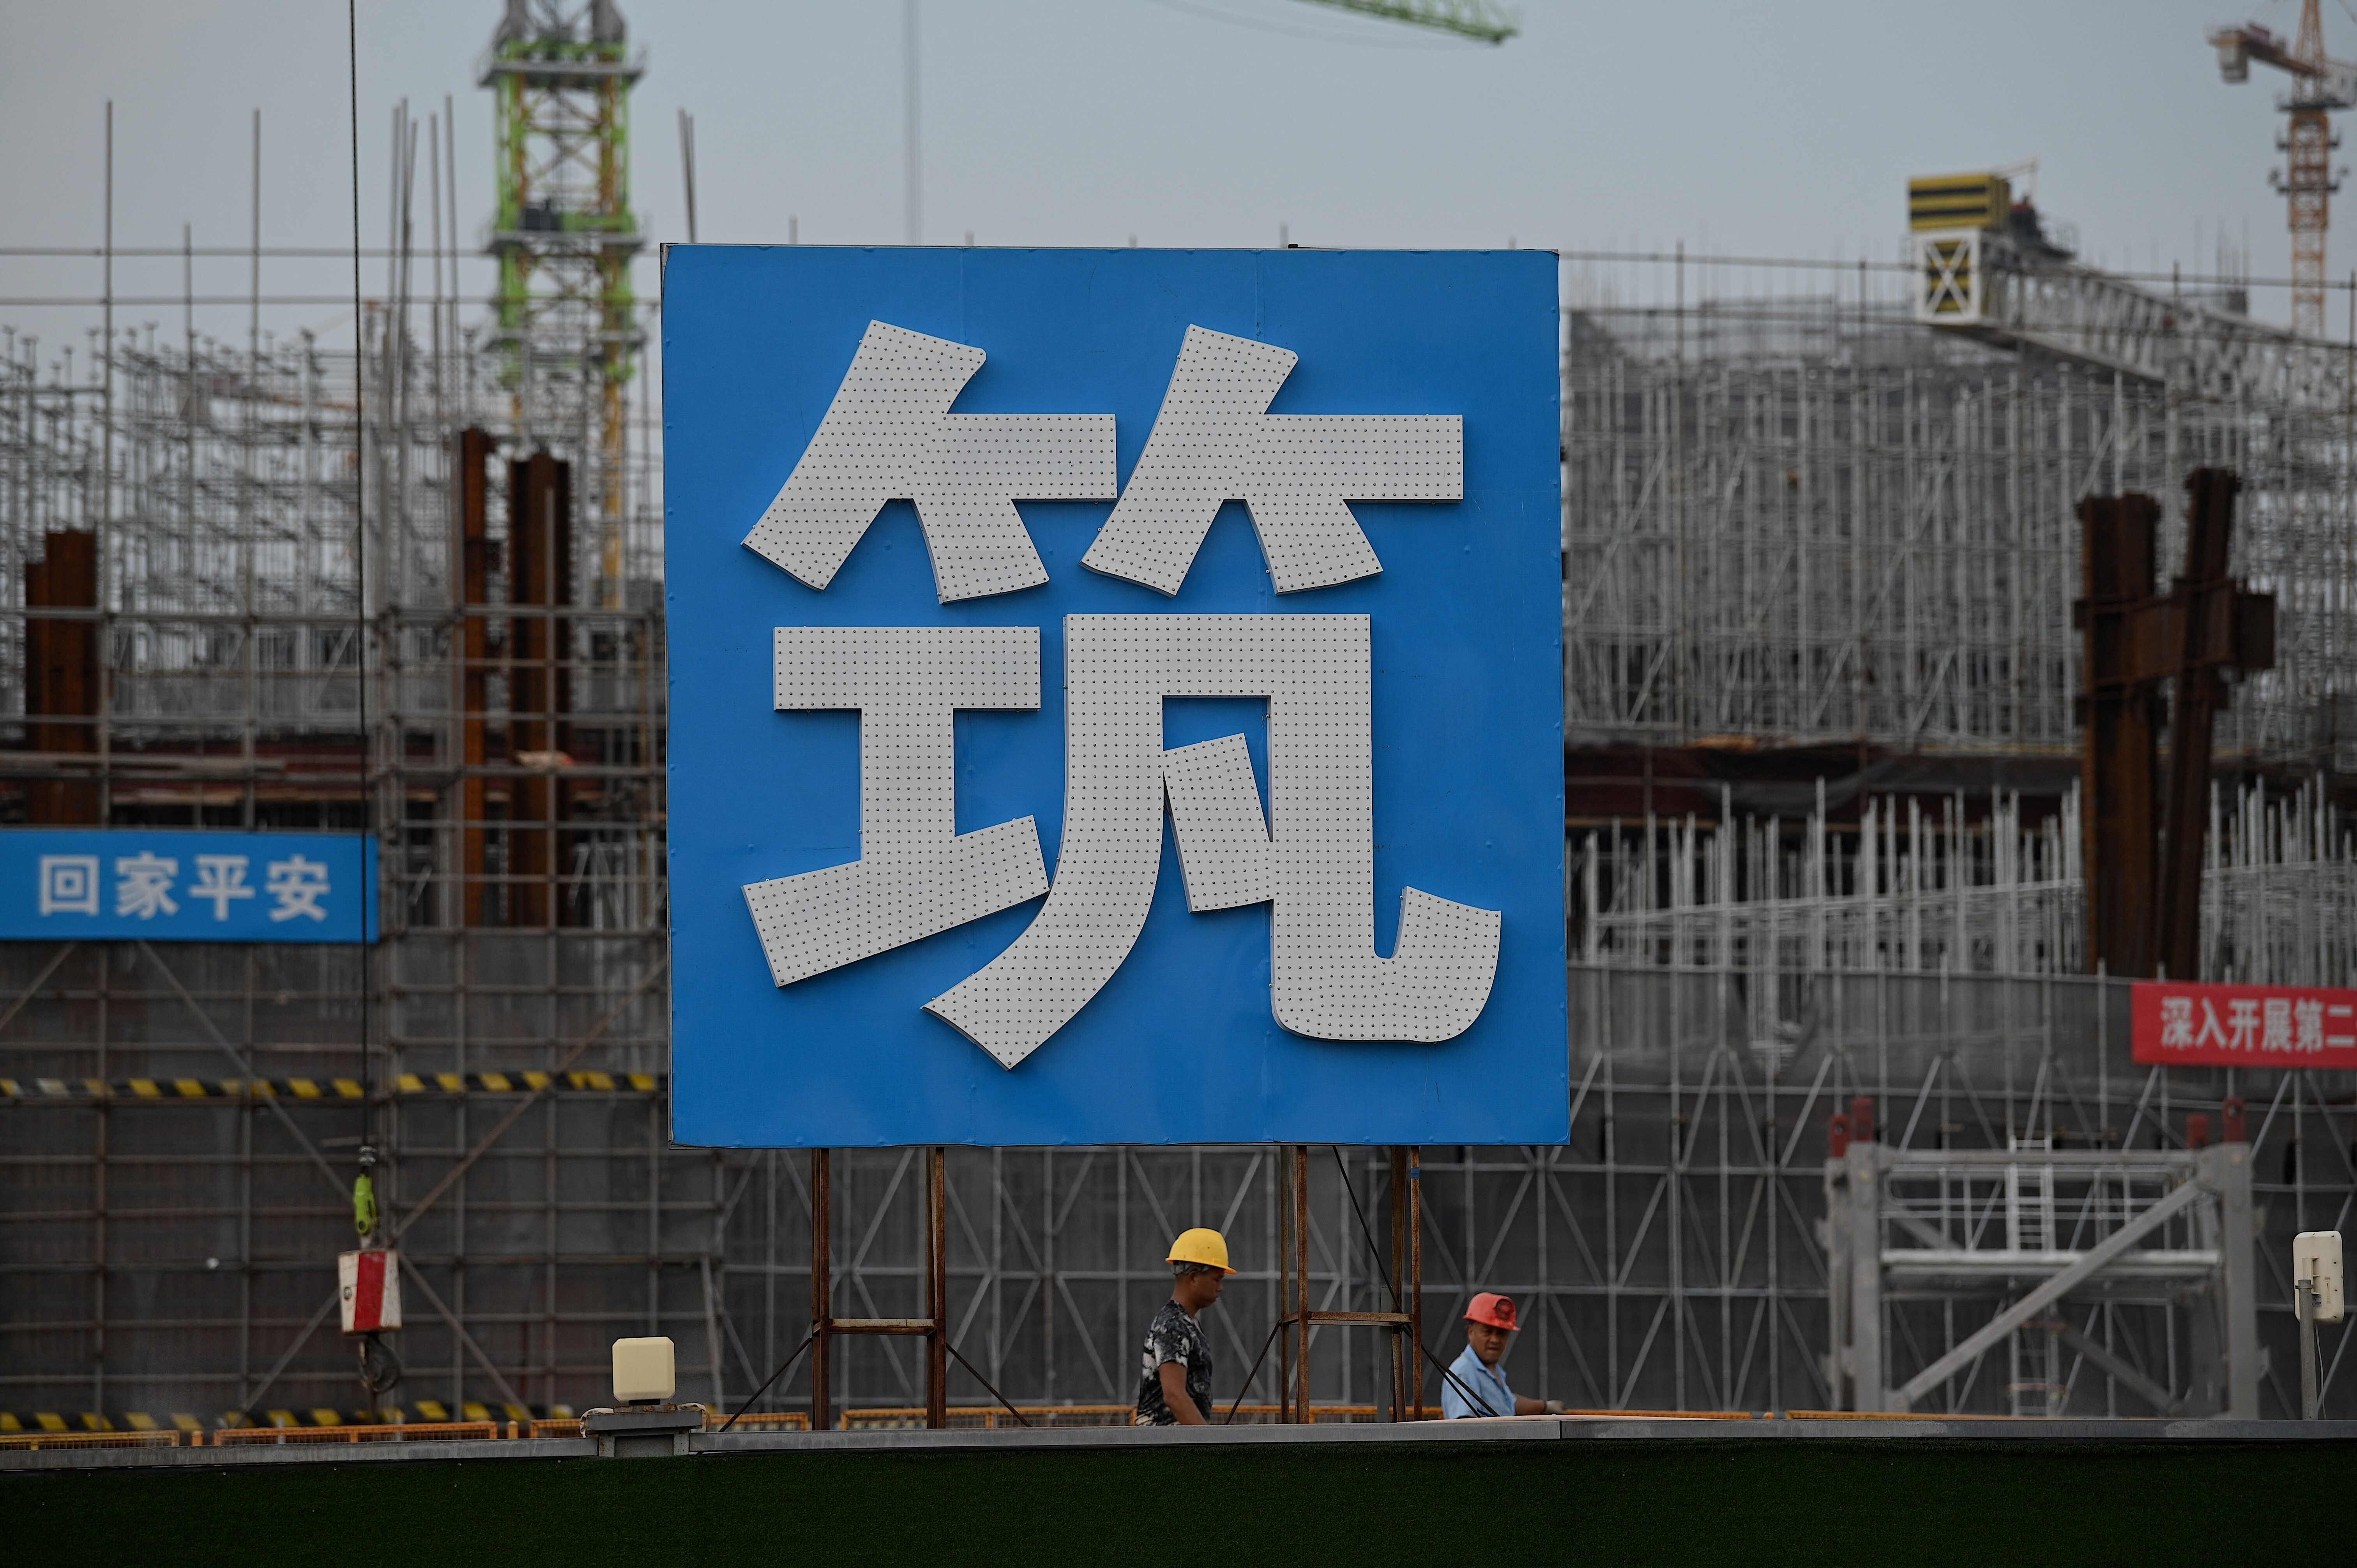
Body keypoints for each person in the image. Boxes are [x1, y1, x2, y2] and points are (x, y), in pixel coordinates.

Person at [1134, 1227, 1234, 1425]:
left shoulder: (1185, 1323)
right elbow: (1175, 1396)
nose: (1220, 1287)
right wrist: (1209, 1445)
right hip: (1164, 1449)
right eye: (1217, 1279)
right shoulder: (1174, 1326)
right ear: (1194, 1278)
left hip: (1174, 1447)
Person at [1439, 1293, 1561, 1418]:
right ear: (1471, 1332)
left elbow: (1509, 1405)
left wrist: (1544, 1407)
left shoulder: (1491, 1371)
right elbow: (1463, 1428)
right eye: (1488, 1332)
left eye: (1501, 1333)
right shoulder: (1464, 1372)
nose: (1495, 1340)